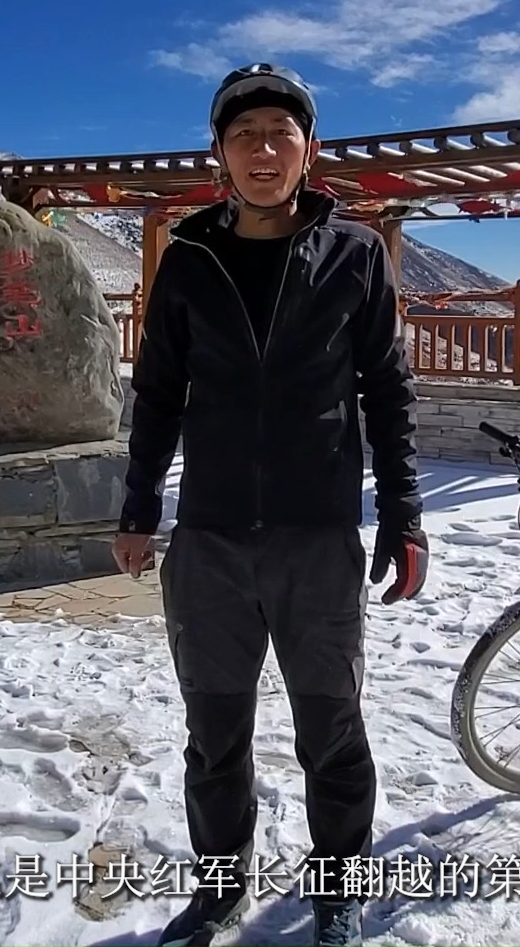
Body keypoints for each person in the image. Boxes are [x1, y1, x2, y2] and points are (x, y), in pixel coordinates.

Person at [112, 63, 429, 947]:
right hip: (209, 540)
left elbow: (387, 391)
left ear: (308, 151)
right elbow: (160, 391)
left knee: (332, 729)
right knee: (214, 734)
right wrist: (139, 508)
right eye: (244, 134)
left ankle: (336, 891)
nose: (263, 150)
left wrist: (403, 513)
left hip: (316, 535)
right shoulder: (189, 258)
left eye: (279, 135)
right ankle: (219, 890)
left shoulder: (355, 255)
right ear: (217, 153)